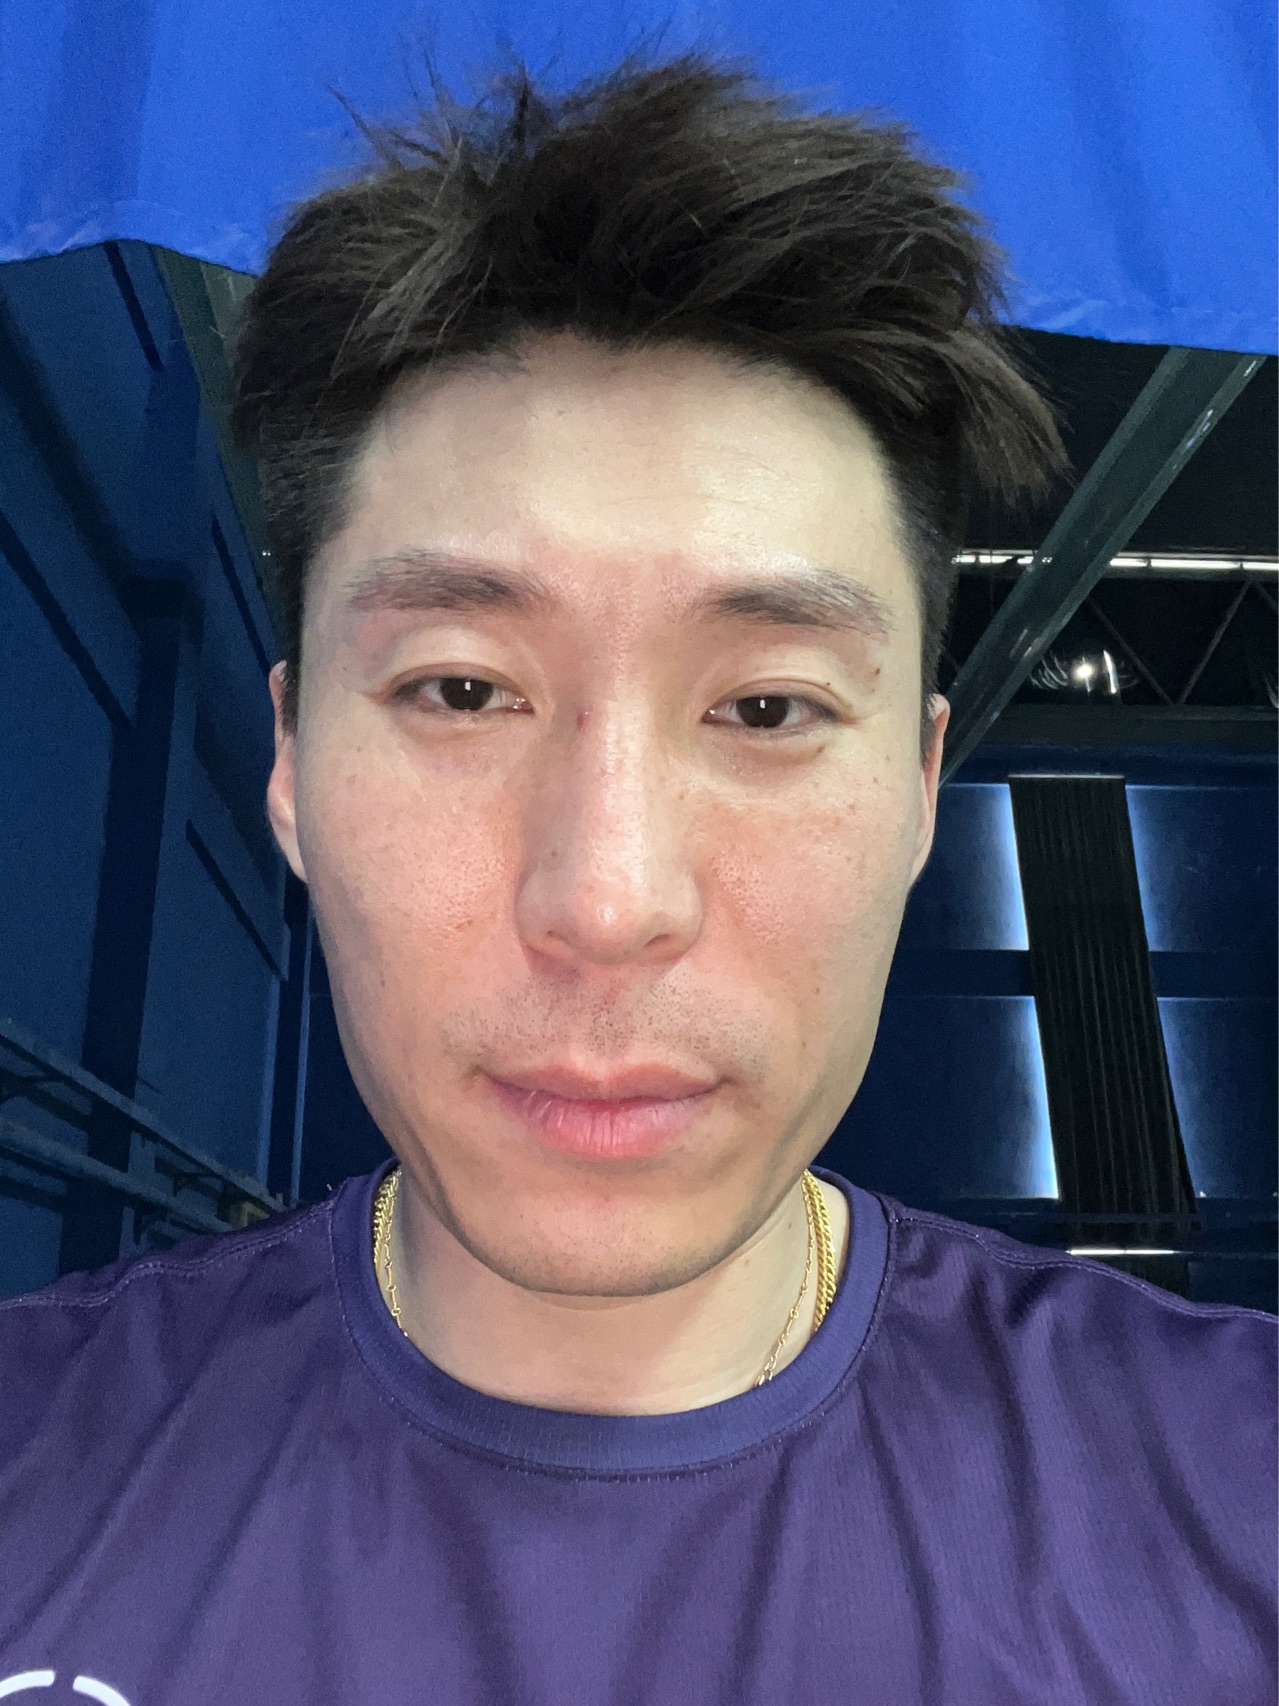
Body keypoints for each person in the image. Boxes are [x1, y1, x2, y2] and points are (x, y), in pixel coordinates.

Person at [0, 54, 1272, 1706]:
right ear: (293, 764)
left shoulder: (1233, 1503)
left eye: (766, 708)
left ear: (917, 790)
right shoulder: (36, 1465)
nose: (607, 903)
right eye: (463, 689)